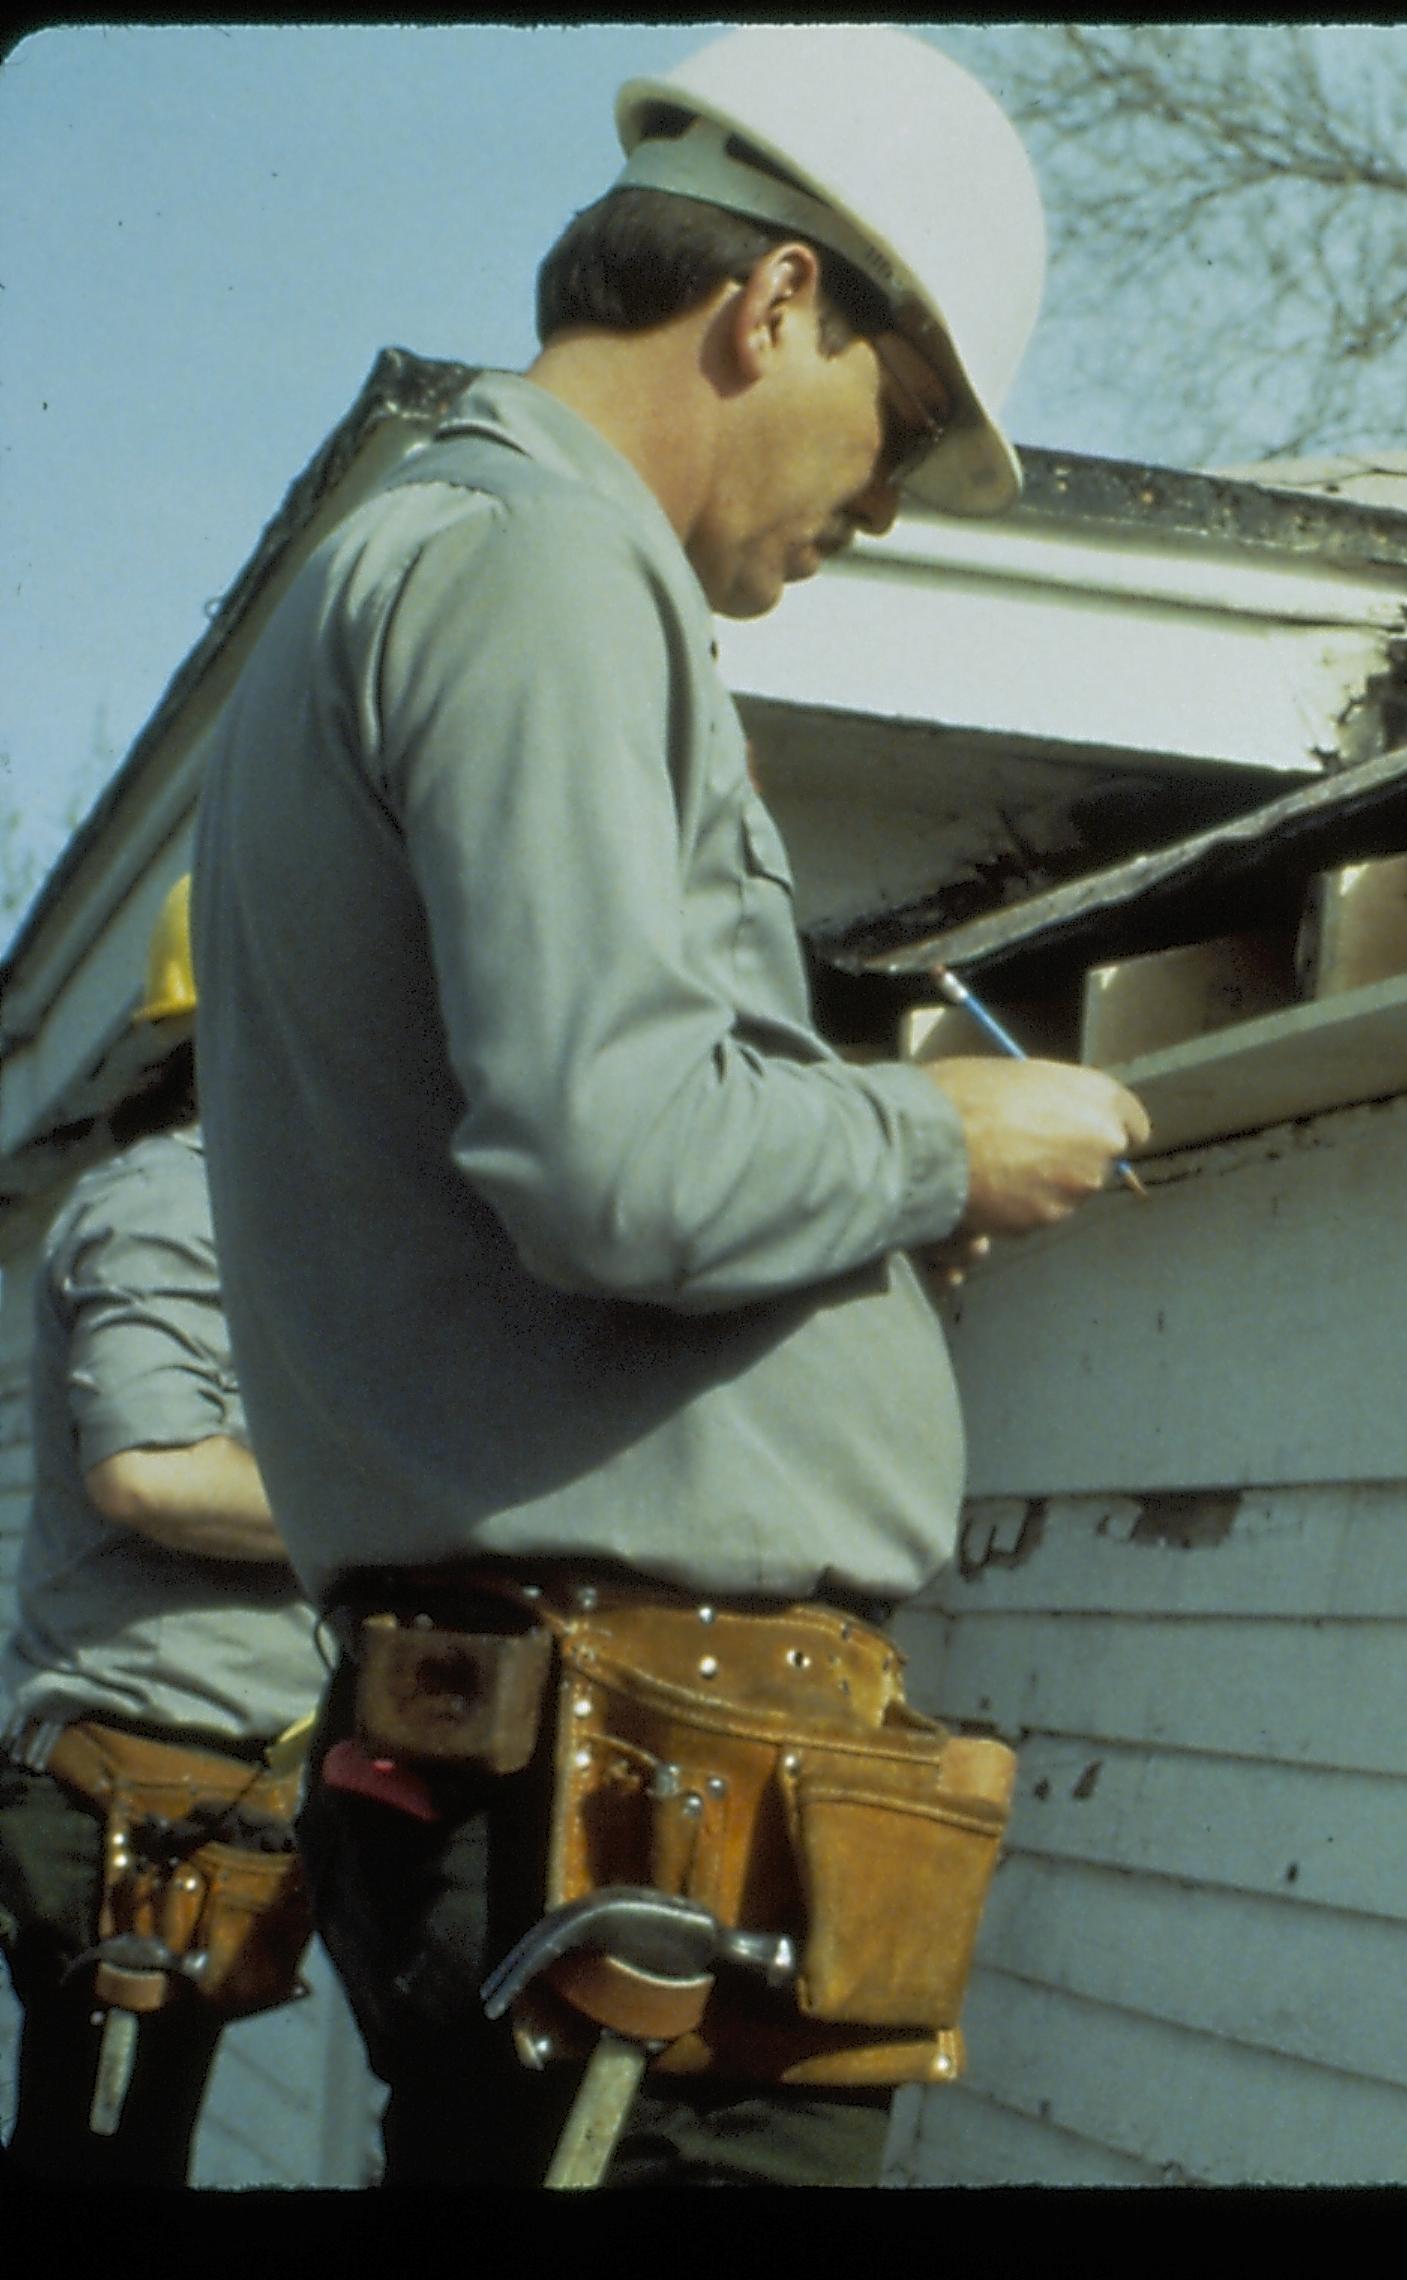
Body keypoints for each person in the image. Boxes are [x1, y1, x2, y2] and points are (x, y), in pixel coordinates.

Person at [189, 25, 1147, 2187]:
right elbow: (615, 1162)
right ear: (779, 300)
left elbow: (591, 1126)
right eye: (894, 437)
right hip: (630, 1795)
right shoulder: (540, 559)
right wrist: (942, 1145)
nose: (876, 512)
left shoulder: (443, 552)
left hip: (609, 1781)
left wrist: (858, 1194)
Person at [0, 879, 325, 2185]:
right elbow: (151, 1471)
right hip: (129, 1807)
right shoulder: (170, 1207)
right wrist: (395, 1507)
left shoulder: (267, 1212)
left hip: (205, 1802)